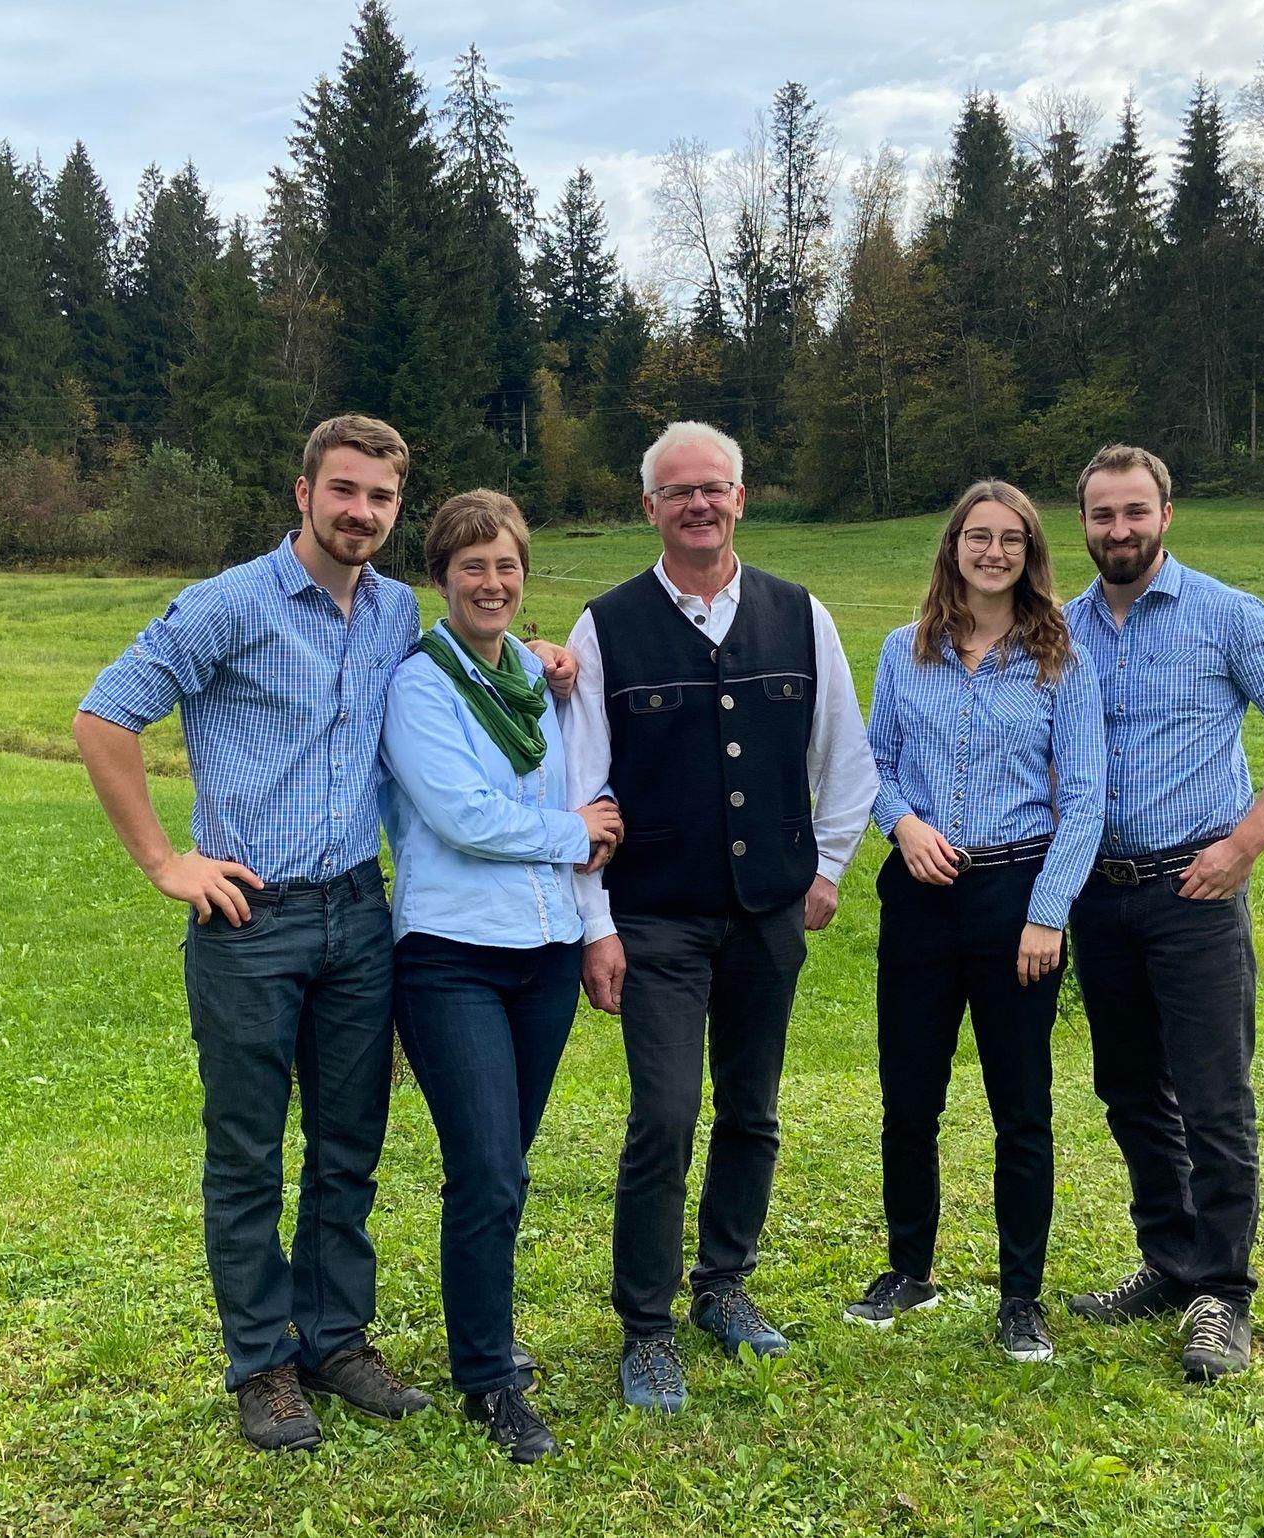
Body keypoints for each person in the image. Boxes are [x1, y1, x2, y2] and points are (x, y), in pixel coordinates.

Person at [73, 415, 435, 1453]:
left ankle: (336, 1343)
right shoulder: (228, 603)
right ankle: (262, 1365)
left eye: (380, 496)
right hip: (248, 919)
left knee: (348, 1148)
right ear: (304, 492)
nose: (361, 511)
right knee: (246, 1155)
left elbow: (457, 681)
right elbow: (104, 716)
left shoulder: (397, 610)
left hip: (358, 914)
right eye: (344, 490)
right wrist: (165, 862)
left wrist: (541, 661)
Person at [561, 421, 878, 1412]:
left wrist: (827, 867)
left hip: (766, 915)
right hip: (655, 916)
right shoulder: (604, 626)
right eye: (677, 491)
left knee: (751, 1108)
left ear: (741, 497)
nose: (697, 504)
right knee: (663, 1115)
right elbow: (581, 789)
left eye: (713, 487)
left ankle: (723, 1284)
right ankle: (646, 1326)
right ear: (648, 506)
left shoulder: (801, 614)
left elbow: (846, 757)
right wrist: (595, 924)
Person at [1062, 444, 1264, 1382]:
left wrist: (1244, 846)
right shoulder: (1061, 631)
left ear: (1166, 516)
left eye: (1135, 512)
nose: (1120, 530)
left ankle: (1222, 1293)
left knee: (1214, 1099)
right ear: (1084, 524)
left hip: (1195, 893)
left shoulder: (1227, 615)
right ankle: (1170, 1261)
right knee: (1131, 1091)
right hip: (1100, 895)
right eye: (1103, 514)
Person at [377, 490, 621, 1464]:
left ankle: (486, 1335)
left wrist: (589, 857)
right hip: (450, 955)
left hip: (545, 954)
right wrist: (576, 832)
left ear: (525, 575)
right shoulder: (420, 685)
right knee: (483, 1166)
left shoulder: (533, 676)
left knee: (505, 1167)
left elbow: (581, 772)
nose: (491, 582)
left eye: (506, 565)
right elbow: (462, 815)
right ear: (440, 577)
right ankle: (487, 1381)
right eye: (471, 566)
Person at [846, 480, 1104, 1362]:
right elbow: (874, 766)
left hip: (1016, 898)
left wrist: (1048, 913)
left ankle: (1020, 1296)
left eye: (1011, 540)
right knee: (908, 1097)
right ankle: (909, 1269)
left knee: (1020, 1106)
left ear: (1031, 554)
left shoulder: (1061, 658)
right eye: (978, 537)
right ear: (953, 547)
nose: (993, 553)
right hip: (921, 898)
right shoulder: (903, 650)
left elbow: (1085, 799)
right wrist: (904, 825)